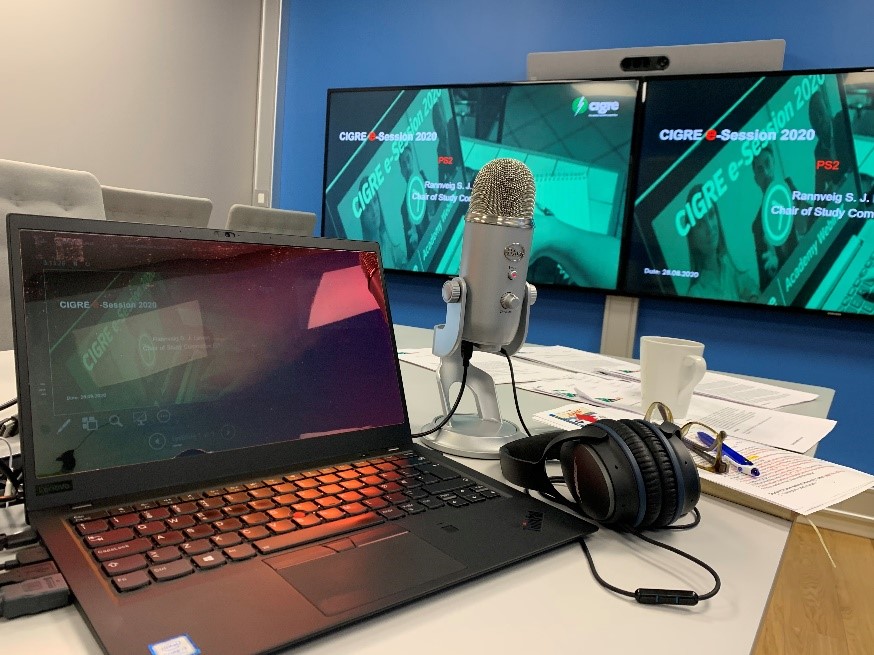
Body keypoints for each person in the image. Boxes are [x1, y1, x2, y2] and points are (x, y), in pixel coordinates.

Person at [684, 184, 757, 302]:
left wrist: (753, 297)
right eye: (700, 224)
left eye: (711, 215)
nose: (709, 227)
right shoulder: (695, 294)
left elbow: (755, 291)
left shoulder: (732, 264)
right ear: (692, 238)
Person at [750, 145, 800, 291]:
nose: (765, 172)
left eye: (767, 164)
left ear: (774, 164)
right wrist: (774, 270)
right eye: (760, 169)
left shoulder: (789, 188)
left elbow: (812, 223)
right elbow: (765, 280)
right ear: (756, 179)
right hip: (792, 283)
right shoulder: (758, 225)